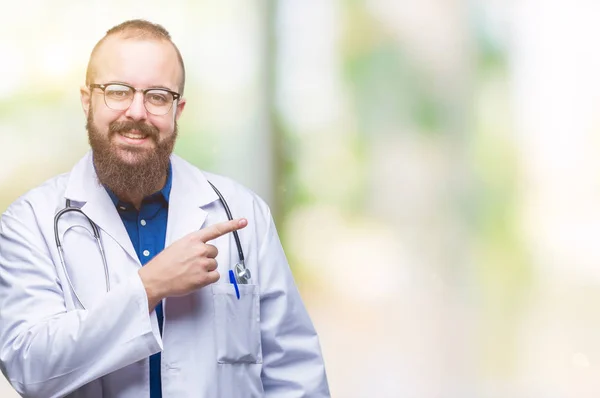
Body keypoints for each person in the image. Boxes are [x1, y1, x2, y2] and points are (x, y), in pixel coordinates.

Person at [0, 19, 330, 398]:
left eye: (157, 96)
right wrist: (149, 287)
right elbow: (30, 368)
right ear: (87, 100)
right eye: (118, 91)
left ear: (178, 110)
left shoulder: (242, 214)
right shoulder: (30, 223)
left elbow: (296, 374)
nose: (137, 112)